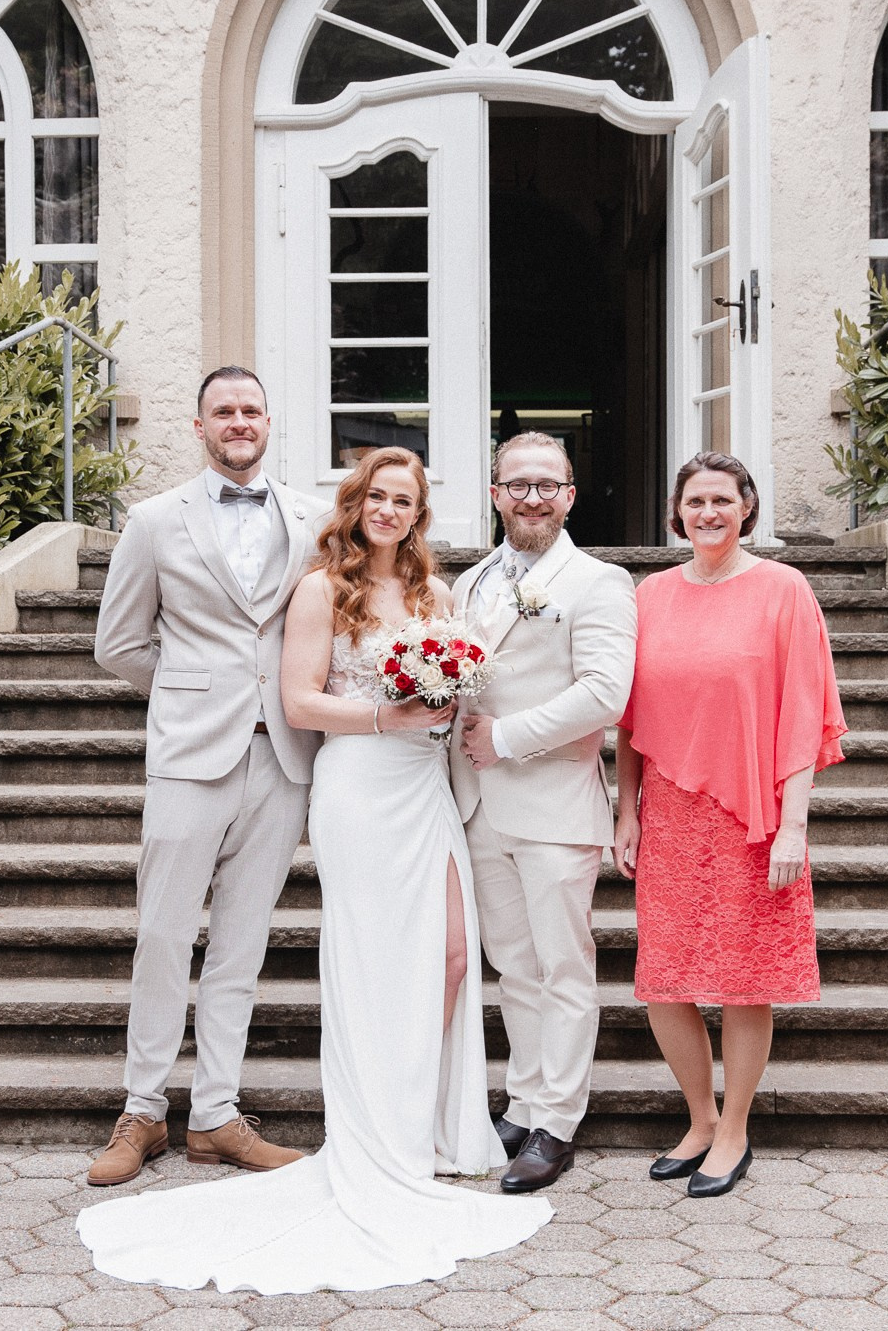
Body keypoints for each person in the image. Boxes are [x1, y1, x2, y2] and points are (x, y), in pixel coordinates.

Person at [78, 447, 551, 1292]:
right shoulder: (319, 589)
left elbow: (457, 692)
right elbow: (299, 701)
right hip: (356, 784)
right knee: (370, 961)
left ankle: (427, 1123)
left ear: (418, 513)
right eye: (377, 494)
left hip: (424, 788)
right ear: (356, 501)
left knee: (448, 953)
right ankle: (371, 1134)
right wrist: (388, 712)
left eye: (404, 499)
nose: (389, 509)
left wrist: (450, 702)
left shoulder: (436, 595)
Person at [86, 365, 329, 1187]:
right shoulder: (155, 520)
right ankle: (144, 1109)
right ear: (200, 426)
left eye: (250, 409)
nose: (238, 421)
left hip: (283, 755)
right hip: (191, 753)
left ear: (269, 421)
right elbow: (117, 642)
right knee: (162, 933)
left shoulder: (312, 517)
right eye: (222, 410)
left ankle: (217, 1114)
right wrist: (190, 692)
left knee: (242, 941)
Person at [613, 452, 847, 1198]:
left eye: (722, 499)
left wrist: (794, 823)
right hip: (671, 809)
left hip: (755, 810)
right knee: (663, 979)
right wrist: (627, 810)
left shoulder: (783, 588)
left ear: (747, 507)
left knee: (746, 979)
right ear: (675, 514)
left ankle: (738, 1127)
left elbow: (805, 709)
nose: (707, 512)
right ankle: (700, 1117)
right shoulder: (648, 595)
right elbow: (628, 718)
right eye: (694, 501)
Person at [450, 432, 637, 1194]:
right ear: (495, 493)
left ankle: (558, 1122)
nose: (531, 497)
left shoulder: (600, 582)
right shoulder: (467, 584)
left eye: (546, 485)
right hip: (477, 806)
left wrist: (507, 739)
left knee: (562, 967)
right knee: (513, 966)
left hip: (555, 802)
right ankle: (523, 1102)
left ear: (569, 495)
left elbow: (605, 694)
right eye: (516, 484)